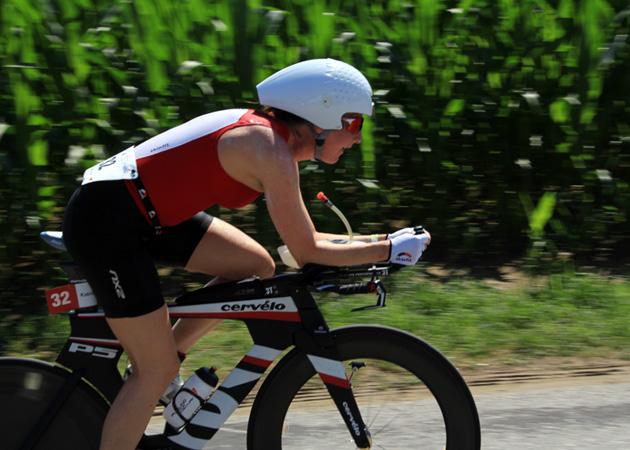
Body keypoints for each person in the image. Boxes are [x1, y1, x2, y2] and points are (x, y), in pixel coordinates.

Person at [61, 58, 430, 450]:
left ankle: (163, 363)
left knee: (254, 266)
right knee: (154, 371)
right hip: (107, 219)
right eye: (354, 123)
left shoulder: (274, 143)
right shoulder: (267, 148)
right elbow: (307, 252)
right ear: (321, 113)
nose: (357, 138)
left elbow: (298, 245)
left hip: (141, 210)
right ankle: (155, 372)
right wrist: (389, 248)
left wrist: (383, 241)